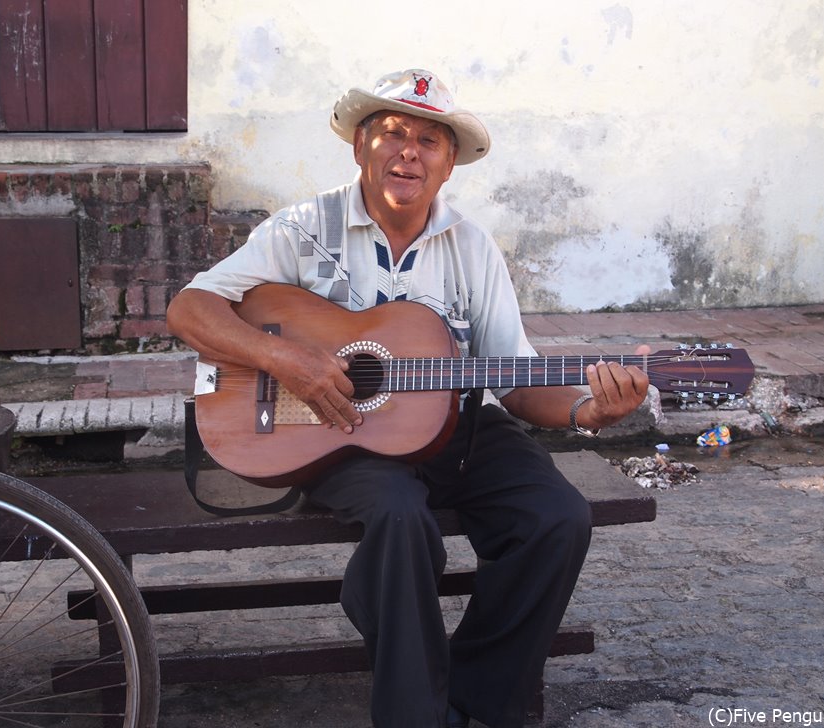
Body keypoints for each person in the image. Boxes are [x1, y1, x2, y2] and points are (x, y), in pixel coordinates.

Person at [167, 69, 649, 728]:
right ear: (360, 146)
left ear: (449, 164)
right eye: (392, 133)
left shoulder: (471, 247)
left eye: (428, 140)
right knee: (400, 518)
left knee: (557, 517)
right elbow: (190, 308)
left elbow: (512, 376)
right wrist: (286, 358)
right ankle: (414, 715)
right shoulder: (304, 228)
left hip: (456, 428)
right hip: (340, 438)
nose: (409, 152)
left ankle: (478, 701)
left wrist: (585, 411)